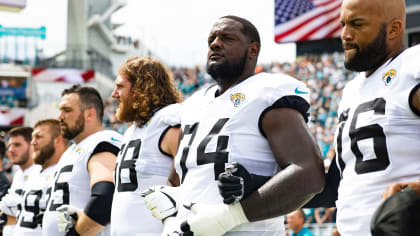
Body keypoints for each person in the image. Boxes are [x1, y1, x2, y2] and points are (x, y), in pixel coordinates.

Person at [143, 15, 325, 235]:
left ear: (253, 50)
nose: (215, 43)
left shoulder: (266, 93)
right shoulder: (193, 105)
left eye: (227, 38)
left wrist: (229, 217)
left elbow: (309, 175)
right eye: (212, 38)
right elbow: (181, 180)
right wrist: (170, 213)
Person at [305, 0, 420, 235]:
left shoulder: (411, 65)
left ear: (394, 29)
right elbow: (345, 181)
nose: (345, 35)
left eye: (356, 24)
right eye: (343, 24)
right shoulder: (352, 90)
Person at [110, 56, 182, 235]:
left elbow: (191, 183)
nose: (114, 94)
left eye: (120, 87)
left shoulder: (168, 123)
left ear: (141, 88)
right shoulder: (132, 130)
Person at [42, 85, 123, 236]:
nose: (60, 116)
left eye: (67, 110)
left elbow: (105, 198)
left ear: (89, 114)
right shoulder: (72, 151)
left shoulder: (101, 141)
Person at [11, 119, 69, 236]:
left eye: (39, 137)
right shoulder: (35, 171)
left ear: (58, 140)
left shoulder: (66, 171)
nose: (33, 142)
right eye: (32, 137)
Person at [0, 127, 35, 236]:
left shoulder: (40, 173)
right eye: (10, 145)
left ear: (33, 145)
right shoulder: (19, 174)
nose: (11, 150)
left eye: (17, 145)